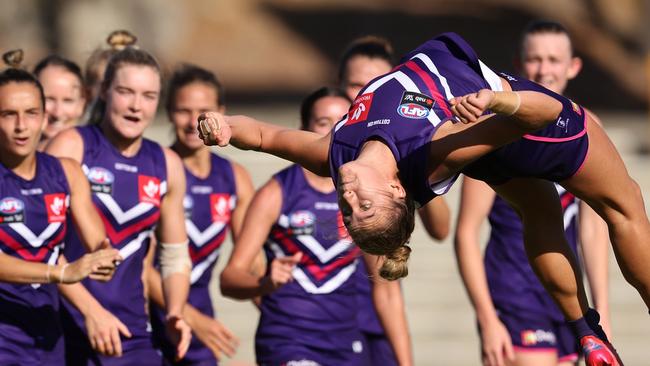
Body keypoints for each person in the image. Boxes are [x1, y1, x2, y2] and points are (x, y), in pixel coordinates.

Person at [197, 32, 647, 364]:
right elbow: (538, 115)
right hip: (529, 129)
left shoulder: (332, 154)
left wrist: (226, 127)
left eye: (347, 212)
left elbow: (265, 135)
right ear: (396, 189)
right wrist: (498, 98)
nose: (349, 200)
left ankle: (585, 333)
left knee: (536, 210)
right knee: (624, 206)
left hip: (492, 143)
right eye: (364, 208)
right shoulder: (430, 151)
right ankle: (608, 320)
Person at [454, 21, 611, 366]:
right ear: (518, 63)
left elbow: (593, 230)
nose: (544, 69)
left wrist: (601, 314)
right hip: (516, 293)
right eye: (535, 59)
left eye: (554, 60)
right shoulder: (494, 129)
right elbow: (466, 233)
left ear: (573, 66)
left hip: (571, 298)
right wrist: (487, 318)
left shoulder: (587, 127)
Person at [220, 87, 412, 366]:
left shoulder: (364, 202)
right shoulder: (277, 193)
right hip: (288, 342)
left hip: (346, 344)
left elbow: (385, 291)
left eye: (345, 121)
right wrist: (263, 283)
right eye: (323, 123)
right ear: (303, 130)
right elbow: (230, 279)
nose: (334, 131)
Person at [45, 45, 192, 365]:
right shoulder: (72, 146)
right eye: (125, 92)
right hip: (62, 324)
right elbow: (41, 247)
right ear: (104, 93)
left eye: (149, 95)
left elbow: (174, 254)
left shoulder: (166, 163)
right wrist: (91, 311)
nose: (136, 106)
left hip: (130, 330)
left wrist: (175, 312)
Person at [0, 50, 120, 365]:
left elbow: (97, 240)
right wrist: (62, 272)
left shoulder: (66, 172)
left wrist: (104, 257)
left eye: (31, 113)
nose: (21, 126)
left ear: (43, 116)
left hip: (46, 335)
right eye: (8, 114)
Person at [338, 36, 449, 365]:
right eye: (355, 85)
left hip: (375, 324)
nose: (362, 95)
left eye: (374, 86)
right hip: (319, 327)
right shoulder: (336, 154)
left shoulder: (392, 171)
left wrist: (412, 180)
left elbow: (442, 229)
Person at [145, 64, 254, 365]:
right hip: (149, 318)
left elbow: (251, 262)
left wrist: (278, 311)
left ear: (222, 111)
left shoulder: (235, 177)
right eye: (183, 110)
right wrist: (188, 316)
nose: (194, 121)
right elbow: (140, 265)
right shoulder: (153, 169)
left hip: (201, 316)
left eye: (204, 110)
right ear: (168, 112)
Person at [33, 55, 86, 149]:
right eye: (49, 99)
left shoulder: (96, 158)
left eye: (68, 101)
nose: (57, 113)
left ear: (81, 105)